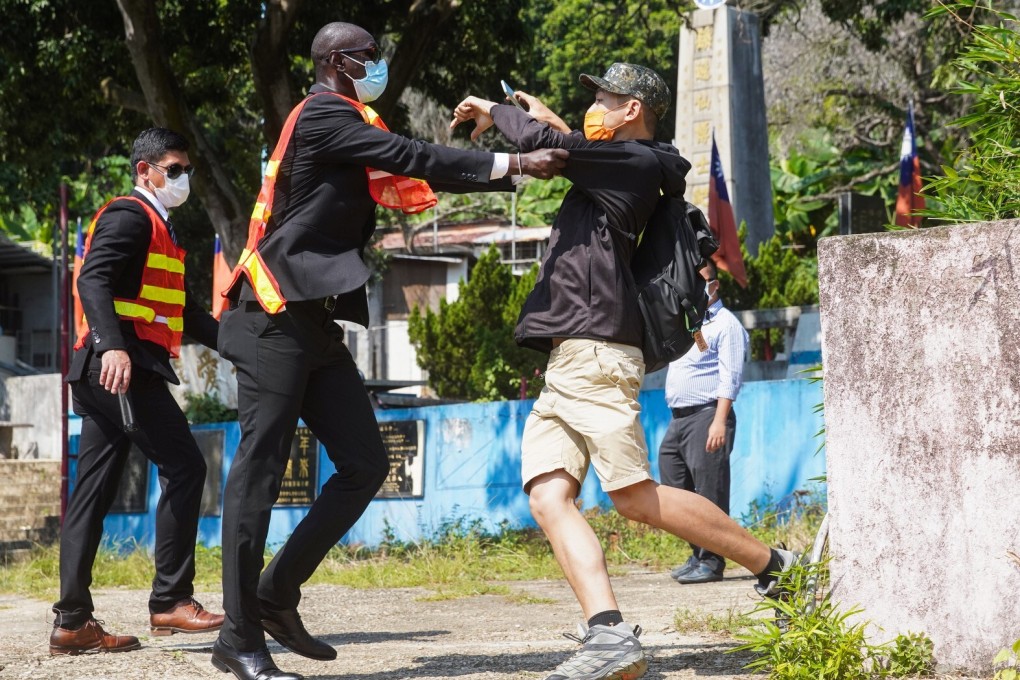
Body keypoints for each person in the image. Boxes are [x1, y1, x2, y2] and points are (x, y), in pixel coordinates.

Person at [211, 21, 568, 680]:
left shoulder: (346, 118)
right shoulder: (322, 115)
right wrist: (515, 163)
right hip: (270, 318)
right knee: (257, 474)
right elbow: (414, 157)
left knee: (364, 462)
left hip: (313, 324)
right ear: (338, 62)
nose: (378, 65)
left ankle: (273, 594)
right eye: (369, 56)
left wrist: (503, 159)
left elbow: (411, 159)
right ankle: (237, 637)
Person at [451, 64, 795, 680]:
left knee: (634, 496)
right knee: (548, 495)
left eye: (605, 99)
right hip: (571, 356)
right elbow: (568, 144)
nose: (595, 108)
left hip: (597, 348)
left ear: (632, 108)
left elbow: (545, 145)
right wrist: (539, 114)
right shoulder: (615, 163)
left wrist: (496, 112)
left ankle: (777, 568)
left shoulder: (636, 164)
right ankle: (608, 633)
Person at [51, 128, 224, 655]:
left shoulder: (163, 230)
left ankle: (73, 623)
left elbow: (186, 313)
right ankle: (170, 601)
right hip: (122, 369)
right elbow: (92, 280)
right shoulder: (130, 215)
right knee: (186, 467)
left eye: (187, 170)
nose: (183, 179)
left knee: (92, 495)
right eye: (173, 169)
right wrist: (113, 347)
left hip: (113, 372)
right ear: (144, 170)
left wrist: (242, 347)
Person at [659, 260, 750, 585]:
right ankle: (698, 551)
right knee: (672, 486)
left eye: (702, 282)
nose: (695, 290)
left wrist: (719, 422)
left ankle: (712, 562)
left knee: (710, 492)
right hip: (680, 419)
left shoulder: (726, 325)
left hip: (708, 416)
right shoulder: (691, 325)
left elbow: (731, 377)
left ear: (715, 286)